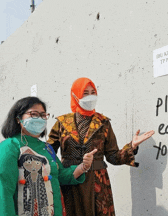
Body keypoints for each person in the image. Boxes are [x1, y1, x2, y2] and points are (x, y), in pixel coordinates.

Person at [47, 77, 155, 216]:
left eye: (93, 92)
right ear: (75, 95)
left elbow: (113, 157)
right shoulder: (62, 123)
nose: (90, 96)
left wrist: (132, 146)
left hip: (97, 182)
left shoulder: (103, 123)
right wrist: (57, 172)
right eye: (85, 93)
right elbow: (48, 152)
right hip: (70, 179)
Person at [0, 96, 97, 216]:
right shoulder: (10, 146)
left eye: (43, 115)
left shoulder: (46, 148)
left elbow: (60, 175)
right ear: (18, 118)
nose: (39, 119)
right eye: (34, 114)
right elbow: (4, 190)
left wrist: (83, 166)